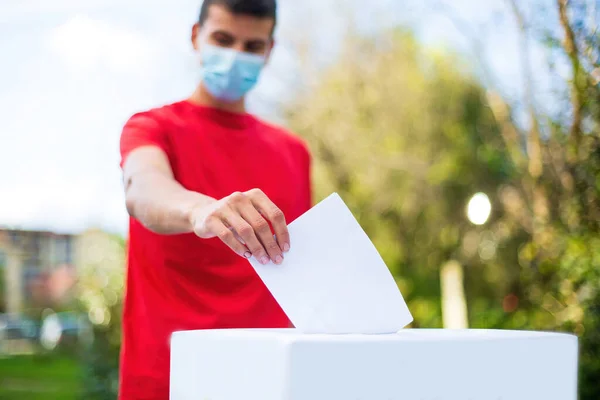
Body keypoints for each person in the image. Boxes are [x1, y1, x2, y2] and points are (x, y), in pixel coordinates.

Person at [117, 0, 311, 398]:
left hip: (271, 382)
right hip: (168, 381)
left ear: (269, 51)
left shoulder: (294, 152)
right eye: (223, 39)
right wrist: (200, 209)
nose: (236, 56)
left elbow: (301, 270)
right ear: (196, 37)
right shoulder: (152, 128)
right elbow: (143, 188)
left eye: (252, 46)